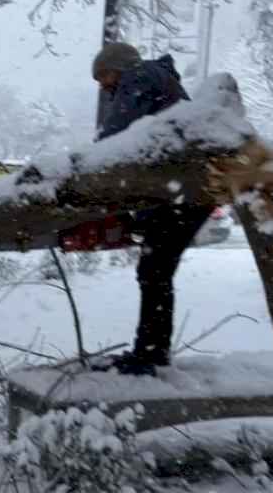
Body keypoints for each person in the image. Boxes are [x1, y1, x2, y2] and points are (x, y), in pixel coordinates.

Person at [90, 42, 216, 376]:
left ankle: (150, 355)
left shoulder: (140, 75)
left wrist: (89, 166)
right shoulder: (160, 82)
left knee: (154, 270)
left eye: (103, 76)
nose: (103, 86)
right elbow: (146, 146)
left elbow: (114, 137)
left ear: (118, 67)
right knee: (155, 270)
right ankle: (150, 351)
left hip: (186, 193)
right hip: (190, 191)